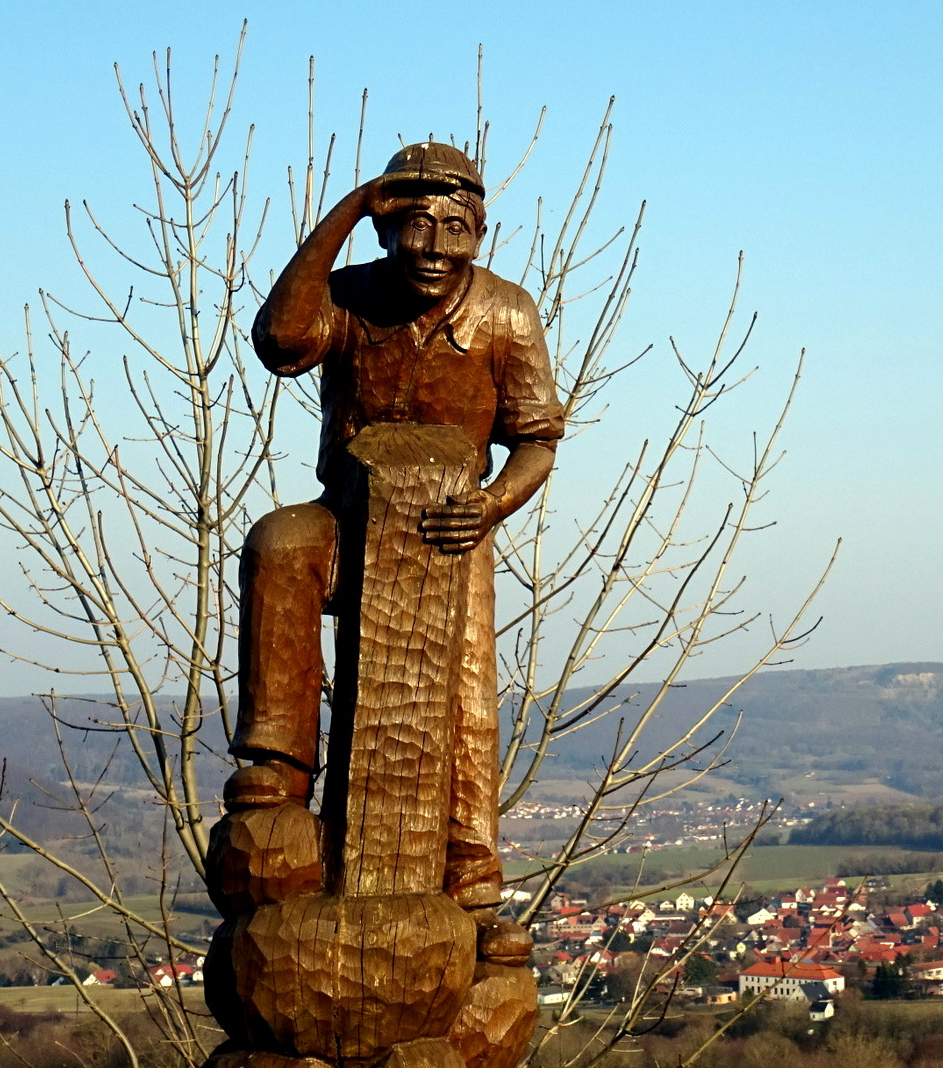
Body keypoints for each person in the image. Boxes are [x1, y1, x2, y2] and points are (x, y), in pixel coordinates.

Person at [226, 142, 562, 964]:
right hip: (348, 516)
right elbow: (279, 340)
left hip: (449, 529)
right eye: (417, 224)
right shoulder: (350, 298)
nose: (438, 247)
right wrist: (348, 207)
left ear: (479, 235)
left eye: (457, 228)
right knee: (279, 544)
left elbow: (536, 441)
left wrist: (486, 508)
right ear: (386, 230)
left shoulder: (507, 314)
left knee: (464, 694)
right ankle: (277, 770)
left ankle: (473, 887)